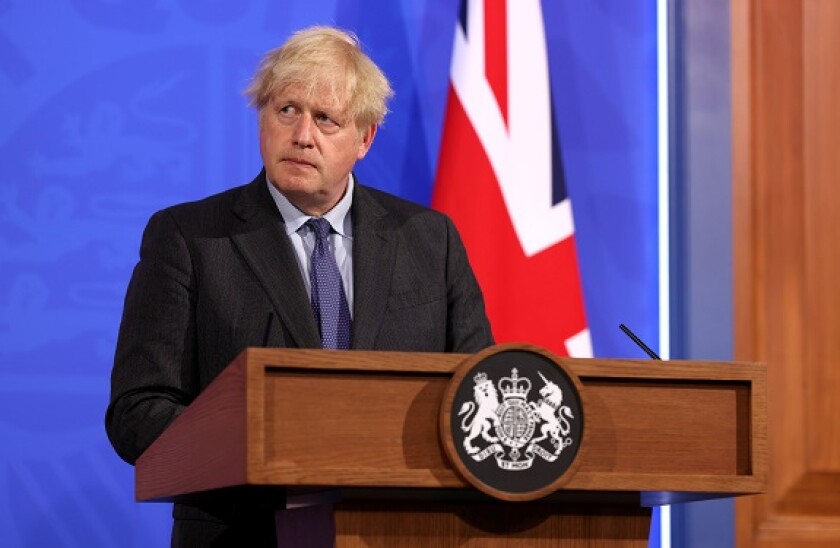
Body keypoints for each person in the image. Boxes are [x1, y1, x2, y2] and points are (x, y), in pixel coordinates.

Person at [105, 25, 493, 546]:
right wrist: (265, 444)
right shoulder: (190, 238)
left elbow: (478, 393)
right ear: (262, 117)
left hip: (403, 530)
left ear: (365, 138)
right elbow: (139, 410)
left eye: (326, 118)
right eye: (286, 110)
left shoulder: (429, 239)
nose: (302, 135)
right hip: (242, 533)